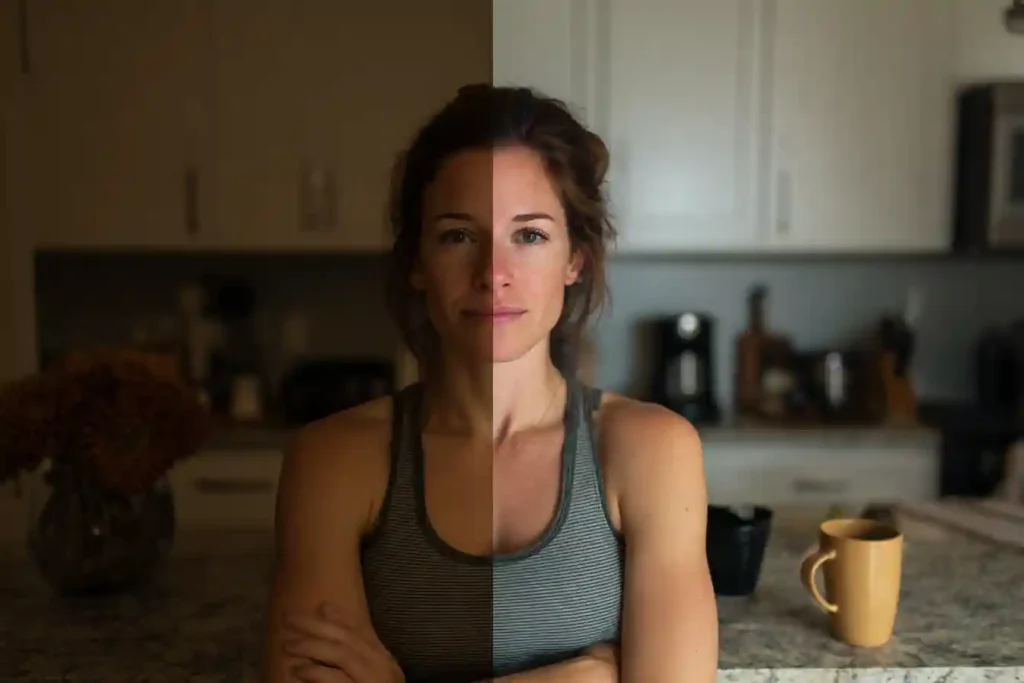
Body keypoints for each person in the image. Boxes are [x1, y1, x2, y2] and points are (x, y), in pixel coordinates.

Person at [263, 84, 719, 683]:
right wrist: (579, 677)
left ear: (574, 259)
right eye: (458, 235)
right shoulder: (335, 460)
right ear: (418, 262)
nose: (493, 274)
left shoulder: (651, 449)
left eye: (528, 235)